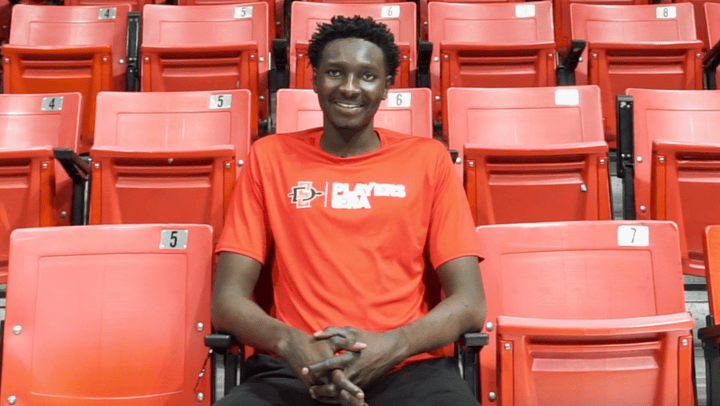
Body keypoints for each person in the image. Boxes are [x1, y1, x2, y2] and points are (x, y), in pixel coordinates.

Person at [211, 15, 486, 406]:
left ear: (387, 86)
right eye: (335, 72)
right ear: (315, 80)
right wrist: (292, 343)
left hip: (406, 368)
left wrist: (394, 345)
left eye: (367, 76)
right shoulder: (269, 157)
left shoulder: (429, 160)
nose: (350, 88)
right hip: (291, 369)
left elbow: (470, 303)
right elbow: (227, 300)